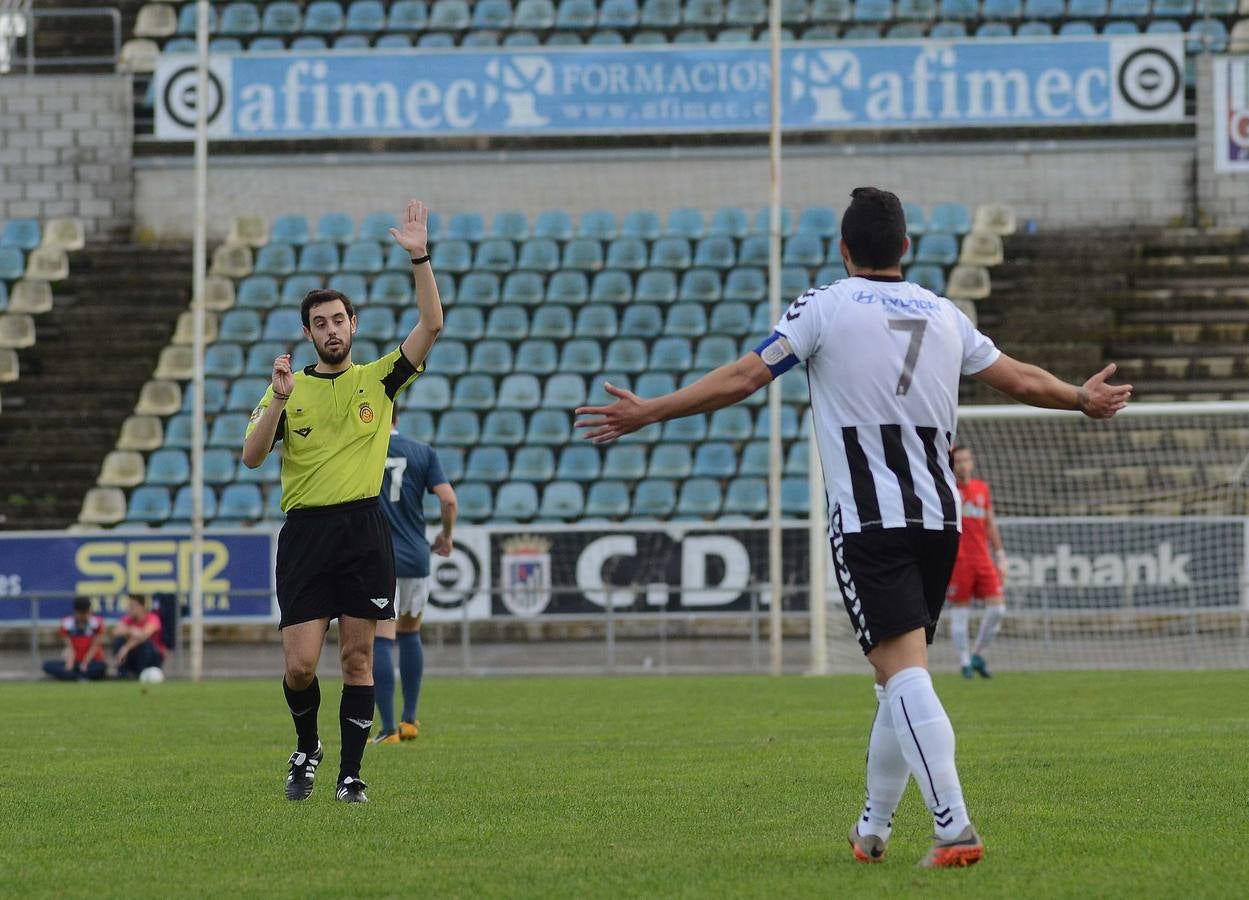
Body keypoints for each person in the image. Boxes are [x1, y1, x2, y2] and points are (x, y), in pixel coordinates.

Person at [575, 187, 1130, 867]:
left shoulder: (825, 304)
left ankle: (953, 826)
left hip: (870, 523)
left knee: (901, 676)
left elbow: (747, 376)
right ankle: (871, 829)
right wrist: (1080, 397)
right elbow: (1015, 378)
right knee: (895, 677)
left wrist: (650, 411)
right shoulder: (943, 312)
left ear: (843, 251)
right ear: (904, 248)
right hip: (939, 519)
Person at [242, 200, 442, 804]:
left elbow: (431, 325)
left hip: (363, 530)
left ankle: (350, 776)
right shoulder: (288, 388)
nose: (331, 330)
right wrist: (276, 401)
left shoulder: (379, 380)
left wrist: (419, 257)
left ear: (353, 324)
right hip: (305, 534)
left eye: (339, 319)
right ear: (309, 333)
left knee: (358, 659)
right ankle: (307, 746)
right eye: (320, 323)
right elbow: (251, 456)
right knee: (301, 665)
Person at [372, 408, 458, 745]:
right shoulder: (423, 451)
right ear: (398, 419)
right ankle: (409, 721)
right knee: (410, 632)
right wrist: (447, 537)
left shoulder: (363, 448)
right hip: (415, 556)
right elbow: (448, 500)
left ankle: (388, 728)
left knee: (381, 637)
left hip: (377, 558)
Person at [947, 445, 1007, 679]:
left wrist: (1000, 556)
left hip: (983, 558)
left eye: (966, 460)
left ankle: (978, 654)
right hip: (959, 560)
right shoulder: (948, 489)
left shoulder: (982, 488)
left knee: (998, 608)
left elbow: (990, 523)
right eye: (958, 461)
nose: (962, 465)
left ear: (972, 462)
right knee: (960, 611)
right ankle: (964, 662)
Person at [43, 597, 107, 681]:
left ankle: (73, 676)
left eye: (85, 613)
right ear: (75, 612)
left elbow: (94, 646)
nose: (83, 616)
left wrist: (85, 663)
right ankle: (79, 677)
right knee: (47, 665)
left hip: (91, 661)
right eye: (81, 613)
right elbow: (70, 647)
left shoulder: (97, 623)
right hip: (75, 661)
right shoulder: (67, 623)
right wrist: (70, 662)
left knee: (101, 667)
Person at [110, 594, 168, 679]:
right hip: (134, 655)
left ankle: (141, 672)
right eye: (129, 606)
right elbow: (115, 632)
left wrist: (126, 648)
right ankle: (123, 673)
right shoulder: (128, 619)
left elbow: (143, 636)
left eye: (133, 606)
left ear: (142, 606)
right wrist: (131, 630)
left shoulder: (153, 618)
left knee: (144, 644)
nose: (130, 609)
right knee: (119, 641)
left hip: (153, 657)